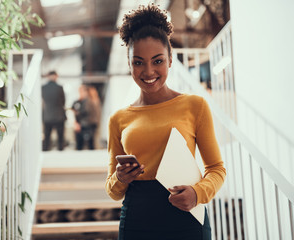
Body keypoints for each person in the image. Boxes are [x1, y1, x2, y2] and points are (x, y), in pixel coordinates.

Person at [105, 4, 226, 240]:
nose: (148, 71)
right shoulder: (118, 119)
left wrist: (197, 193)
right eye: (138, 62)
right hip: (137, 219)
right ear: (129, 65)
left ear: (170, 60)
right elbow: (112, 191)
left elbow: (216, 169)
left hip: (187, 215)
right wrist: (120, 178)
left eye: (157, 61)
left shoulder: (195, 105)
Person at [42, 71, 67, 151]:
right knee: (60, 137)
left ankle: (45, 151)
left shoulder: (43, 88)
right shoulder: (59, 87)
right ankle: (60, 151)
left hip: (47, 116)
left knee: (47, 137)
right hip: (59, 116)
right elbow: (63, 102)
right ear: (56, 76)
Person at [71, 84, 94, 150]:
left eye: (82, 91)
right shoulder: (76, 102)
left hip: (87, 126)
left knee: (89, 145)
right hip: (78, 126)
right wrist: (75, 123)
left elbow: (87, 113)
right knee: (79, 145)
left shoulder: (89, 102)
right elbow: (73, 112)